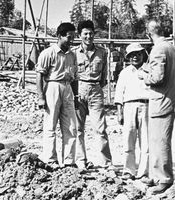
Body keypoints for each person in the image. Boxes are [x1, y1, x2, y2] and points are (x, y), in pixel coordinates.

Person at [138, 19, 175, 194]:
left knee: (161, 141)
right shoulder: (172, 47)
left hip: (162, 101)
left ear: (149, 34)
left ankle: (164, 178)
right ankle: (155, 174)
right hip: (170, 98)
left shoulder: (158, 49)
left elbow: (158, 78)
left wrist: (144, 77)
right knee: (156, 140)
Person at [36, 22, 78, 170]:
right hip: (52, 87)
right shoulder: (48, 53)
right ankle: (51, 159)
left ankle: (69, 161)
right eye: (69, 37)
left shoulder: (72, 55)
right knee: (50, 125)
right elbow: (40, 76)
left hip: (68, 89)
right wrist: (41, 97)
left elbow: (75, 78)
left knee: (71, 127)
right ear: (59, 36)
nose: (72, 40)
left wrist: (76, 96)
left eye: (73, 37)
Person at [72, 20, 112, 170]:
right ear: (80, 35)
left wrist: (95, 88)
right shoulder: (74, 52)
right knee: (78, 129)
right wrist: (76, 92)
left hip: (95, 90)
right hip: (78, 89)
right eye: (85, 34)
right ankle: (81, 161)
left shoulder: (102, 52)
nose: (88, 36)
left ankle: (106, 163)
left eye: (91, 33)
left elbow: (104, 77)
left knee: (100, 129)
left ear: (94, 34)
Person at [114, 43, 150, 181]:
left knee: (145, 141)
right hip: (129, 107)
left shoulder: (148, 70)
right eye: (132, 55)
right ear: (128, 57)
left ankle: (144, 172)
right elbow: (119, 93)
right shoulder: (125, 72)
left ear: (143, 55)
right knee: (128, 139)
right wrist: (119, 112)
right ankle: (129, 170)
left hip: (146, 106)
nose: (135, 57)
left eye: (138, 54)